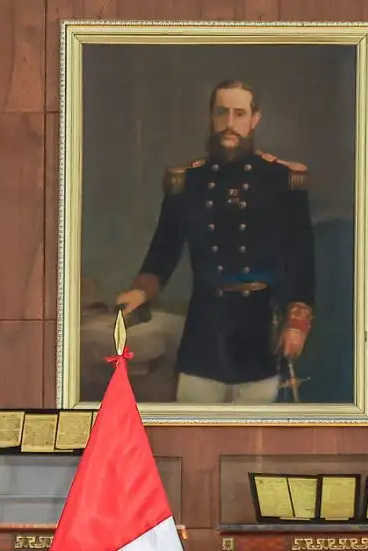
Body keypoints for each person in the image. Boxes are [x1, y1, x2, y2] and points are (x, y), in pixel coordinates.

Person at [115, 80, 315, 406]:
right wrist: (142, 290)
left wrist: (297, 322)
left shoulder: (282, 182)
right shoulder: (188, 183)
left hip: (259, 335)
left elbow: (302, 259)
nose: (230, 123)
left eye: (239, 113)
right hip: (205, 335)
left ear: (255, 119)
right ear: (211, 117)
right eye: (222, 113)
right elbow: (164, 248)